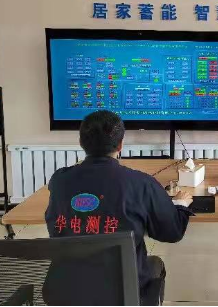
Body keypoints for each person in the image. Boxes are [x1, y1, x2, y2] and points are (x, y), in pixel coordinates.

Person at [44, 110, 193, 305]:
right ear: (121, 145)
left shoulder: (59, 181)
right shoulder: (141, 183)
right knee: (156, 264)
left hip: (66, 291)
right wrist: (180, 204)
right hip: (123, 292)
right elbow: (171, 232)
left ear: (81, 142)